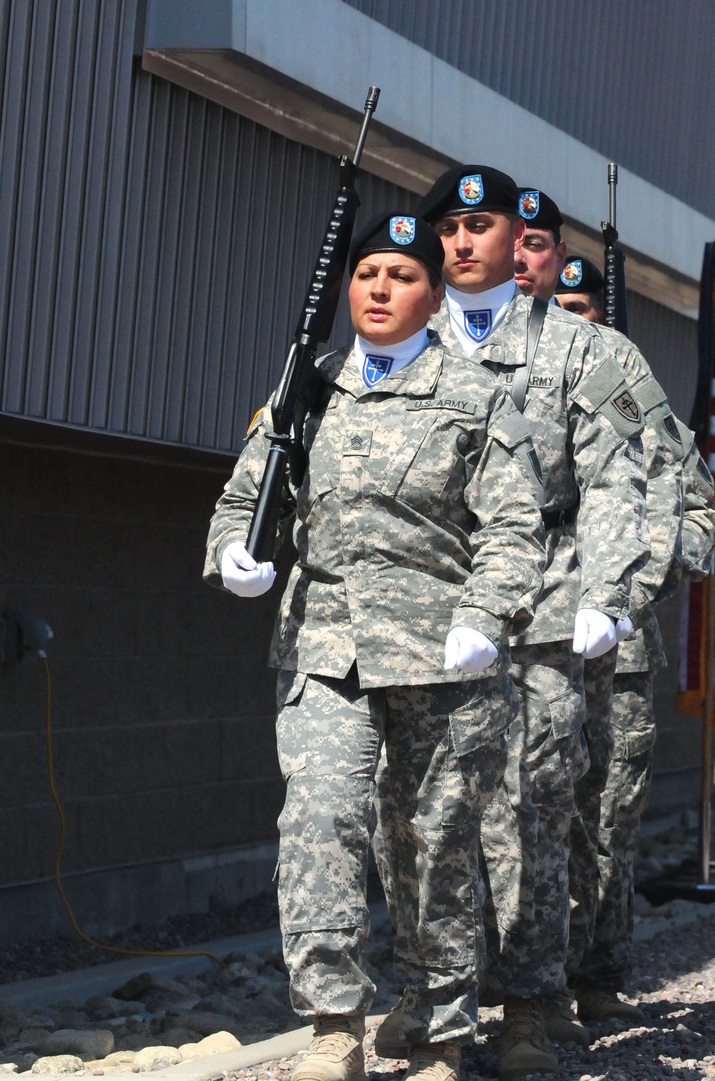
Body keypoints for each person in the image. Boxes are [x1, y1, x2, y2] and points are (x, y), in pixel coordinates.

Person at [203, 212, 548, 1081]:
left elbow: (515, 526)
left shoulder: (475, 397)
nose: (380, 291)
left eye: (401, 276)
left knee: (432, 840)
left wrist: (488, 613)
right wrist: (234, 551)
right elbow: (245, 496)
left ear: (434, 295)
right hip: (324, 647)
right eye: (367, 276)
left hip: (444, 654)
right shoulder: (306, 391)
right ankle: (332, 1026)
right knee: (320, 820)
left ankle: (438, 1031)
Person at [376, 167, 650, 1081]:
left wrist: (609, 595)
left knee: (534, 806)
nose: (459, 242)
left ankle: (532, 1002)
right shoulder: (407, 340)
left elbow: (617, 480)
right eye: (446, 226)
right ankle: (429, 991)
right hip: (430, 606)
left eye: (479, 225)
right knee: (417, 810)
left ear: (515, 243)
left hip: (543, 608)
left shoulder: (578, 349)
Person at [518, 241, 715, 1024]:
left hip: (616, 647)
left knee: (603, 816)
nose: (565, 314)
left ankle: (593, 974)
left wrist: (642, 580)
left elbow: (686, 495)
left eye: (580, 307)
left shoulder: (616, 375)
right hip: (515, 628)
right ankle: (511, 981)